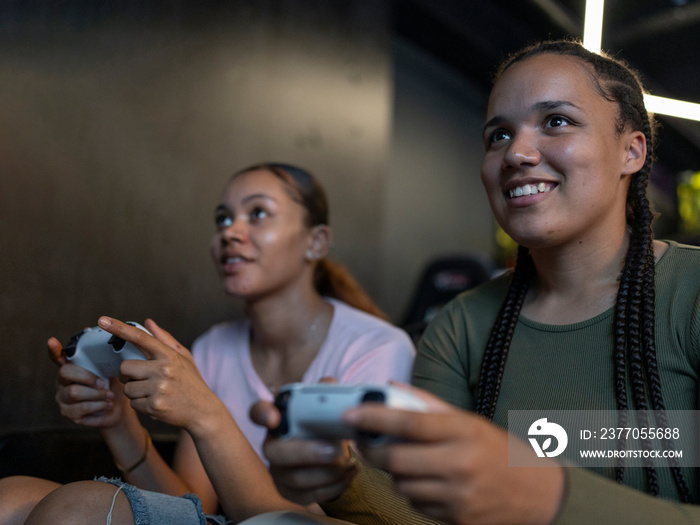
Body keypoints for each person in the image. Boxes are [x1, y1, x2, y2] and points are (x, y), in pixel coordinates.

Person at [250, 40, 700, 525]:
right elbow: (428, 516)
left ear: (631, 151)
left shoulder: (689, 294)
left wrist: (543, 497)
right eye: (499, 135)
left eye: (556, 121)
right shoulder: (459, 326)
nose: (517, 154)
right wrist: (344, 478)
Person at [0, 163, 415, 525]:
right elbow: (189, 505)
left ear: (317, 242)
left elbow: (309, 520)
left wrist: (206, 413)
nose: (230, 232)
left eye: (257, 214)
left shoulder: (376, 350)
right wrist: (117, 420)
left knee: (77, 511)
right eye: (222, 219)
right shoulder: (215, 347)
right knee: (9, 498)